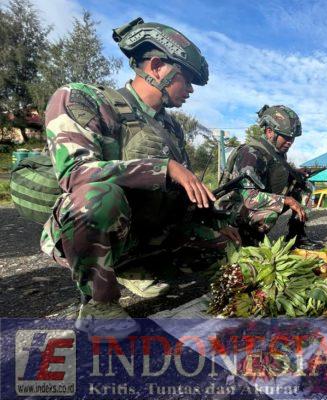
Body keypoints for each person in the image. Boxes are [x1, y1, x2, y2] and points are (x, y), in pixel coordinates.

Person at [41, 18, 240, 337]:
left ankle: (135, 268)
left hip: (148, 229)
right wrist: (164, 168)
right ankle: (100, 305)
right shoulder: (85, 100)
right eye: (187, 80)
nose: (190, 90)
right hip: (98, 222)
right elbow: (75, 174)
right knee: (96, 198)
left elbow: (180, 194)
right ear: (158, 66)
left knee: (224, 242)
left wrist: (216, 223)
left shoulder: (172, 128)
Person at [218, 105, 324, 250]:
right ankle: (247, 241)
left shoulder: (276, 152)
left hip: (252, 203)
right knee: (269, 214)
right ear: (269, 132)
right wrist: (287, 200)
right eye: (286, 137)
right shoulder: (251, 154)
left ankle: (296, 237)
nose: (290, 142)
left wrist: (294, 172)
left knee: (303, 185)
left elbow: (272, 171)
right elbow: (249, 198)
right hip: (236, 210)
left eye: (292, 138)